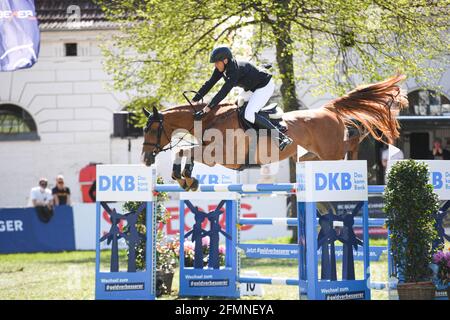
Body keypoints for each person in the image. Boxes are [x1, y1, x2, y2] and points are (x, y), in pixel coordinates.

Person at [192, 46, 293, 151]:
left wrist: (208, 108)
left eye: (217, 62)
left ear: (225, 61)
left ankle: (282, 137)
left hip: (264, 86)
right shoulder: (221, 68)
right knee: (235, 106)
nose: (215, 65)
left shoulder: (235, 70)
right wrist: (195, 99)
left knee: (249, 114)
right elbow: (210, 83)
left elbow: (223, 92)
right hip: (251, 87)